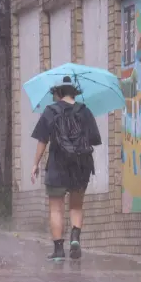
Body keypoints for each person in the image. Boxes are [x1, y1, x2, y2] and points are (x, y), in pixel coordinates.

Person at [30, 76, 102, 261]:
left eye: (54, 92)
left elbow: (42, 140)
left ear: (59, 92)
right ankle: (75, 239)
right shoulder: (85, 111)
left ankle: (58, 251)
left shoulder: (50, 111)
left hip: (57, 163)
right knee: (76, 206)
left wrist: (35, 164)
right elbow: (94, 139)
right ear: (74, 93)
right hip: (81, 164)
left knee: (56, 209)